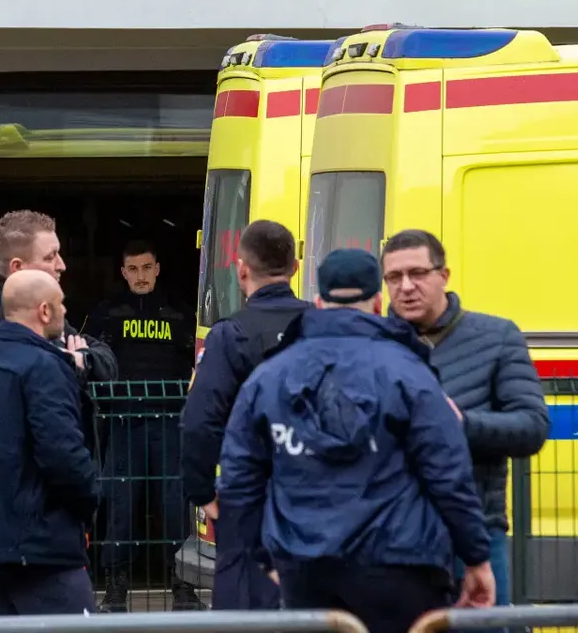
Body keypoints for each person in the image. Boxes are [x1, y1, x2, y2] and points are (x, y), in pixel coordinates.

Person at [219, 247, 495, 633]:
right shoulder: (407, 372)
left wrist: (265, 559)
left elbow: (238, 480)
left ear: (317, 301)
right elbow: (448, 474)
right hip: (400, 563)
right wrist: (476, 558)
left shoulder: (269, 376)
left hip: (304, 563)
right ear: (379, 302)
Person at [381, 229, 548, 608]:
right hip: (391, 532)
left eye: (418, 273)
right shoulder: (374, 343)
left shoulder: (496, 336)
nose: (406, 287)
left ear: (444, 275)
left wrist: (462, 426)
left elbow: (533, 426)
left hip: (475, 532)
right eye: (394, 277)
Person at [0, 269, 101, 615]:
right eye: (62, 304)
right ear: (45, 311)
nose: (66, 314)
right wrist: (89, 501)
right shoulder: (46, 367)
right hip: (44, 548)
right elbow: (62, 455)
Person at [180, 219, 311, 610]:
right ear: (295, 268)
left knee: (244, 605)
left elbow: (200, 421)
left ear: (241, 269)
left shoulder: (230, 335)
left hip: (249, 495)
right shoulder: (320, 328)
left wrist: (201, 490)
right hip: (316, 493)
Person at [82, 240, 205, 612]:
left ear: (158, 269)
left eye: (146, 268)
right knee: (120, 508)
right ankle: (116, 589)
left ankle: (183, 587)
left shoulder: (180, 314)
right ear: (123, 272)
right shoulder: (106, 314)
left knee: (174, 509)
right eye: (133, 269)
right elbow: (89, 360)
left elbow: (199, 363)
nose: (140, 276)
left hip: (170, 425)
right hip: (123, 424)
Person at [0, 210, 117, 453]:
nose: (61, 265)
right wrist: (71, 362)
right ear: (17, 267)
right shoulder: (0, 319)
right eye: (50, 256)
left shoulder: (39, 310)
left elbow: (106, 361)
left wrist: (83, 359)